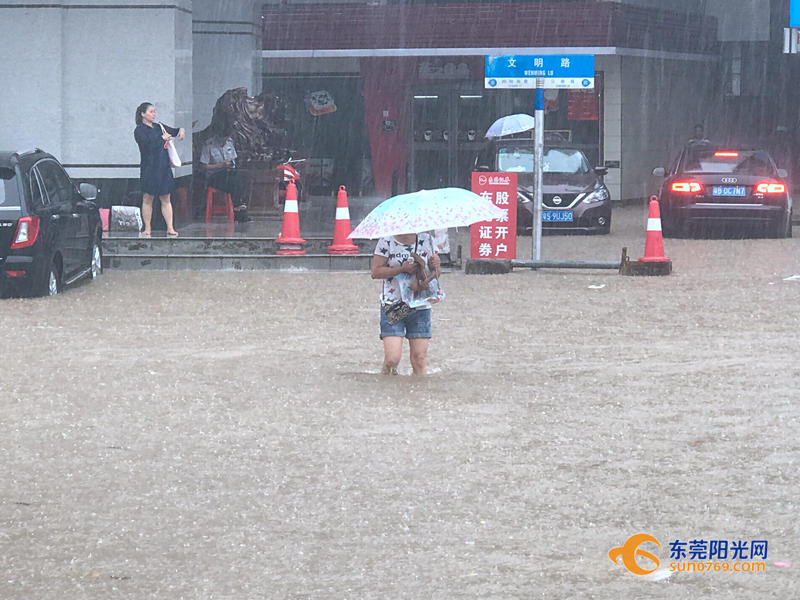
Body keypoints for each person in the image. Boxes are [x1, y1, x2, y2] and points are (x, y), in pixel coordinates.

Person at [371, 232, 441, 375]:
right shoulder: (387, 240)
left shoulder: (427, 239)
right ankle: (386, 386)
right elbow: (375, 272)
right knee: (392, 359)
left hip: (420, 304)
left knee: (419, 358)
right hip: (393, 304)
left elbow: (435, 275)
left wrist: (437, 266)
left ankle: (418, 393)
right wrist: (402, 269)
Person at [134, 102, 185, 236]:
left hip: (163, 168)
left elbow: (174, 131)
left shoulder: (159, 127)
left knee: (166, 198)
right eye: (151, 112)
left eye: (154, 111)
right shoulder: (139, 130)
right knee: (148, 198)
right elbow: (146, 145)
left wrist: (181, 130)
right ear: (143, 114)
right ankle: (147, 227)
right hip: (149, 168)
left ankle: (170, 227)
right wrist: (160, 139)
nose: (154, 114)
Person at [199, 134, 250, 222]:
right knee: (233, 182)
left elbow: (234, 159)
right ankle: (239, 208)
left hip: (229, 173)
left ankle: (238, 206)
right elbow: (203, 166)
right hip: (214, 176)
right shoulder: (208, 145)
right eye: (222, 138)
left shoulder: (229, 143)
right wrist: (219, 165)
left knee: (237, 178)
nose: (224, 140)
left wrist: (230, 163)